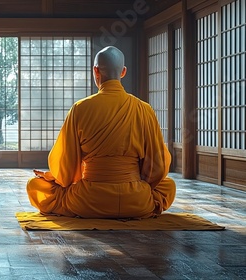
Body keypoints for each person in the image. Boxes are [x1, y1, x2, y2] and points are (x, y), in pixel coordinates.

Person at [27, 46, 176, 219]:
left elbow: (66, 169)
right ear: (123, 72)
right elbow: (157, 165)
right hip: (136, 201)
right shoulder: (144, 109)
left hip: (88, 201)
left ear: (95, 71)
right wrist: (137, 183)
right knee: (168, 185)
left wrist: (52, 176)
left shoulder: (80, 108)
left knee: (35, 185)